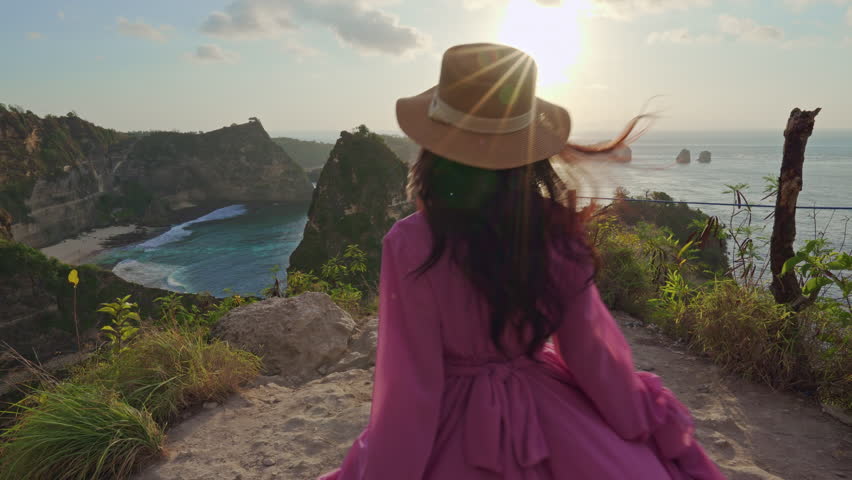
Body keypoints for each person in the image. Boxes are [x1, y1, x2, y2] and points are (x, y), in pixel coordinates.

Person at [319, 43, 725, 480]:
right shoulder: (557, 230)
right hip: (549, 412)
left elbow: (410, 384)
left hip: (453, 427)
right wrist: (635, 419)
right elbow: (590, 351)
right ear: (528, 150)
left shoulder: (410, 242)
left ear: (434, 148)